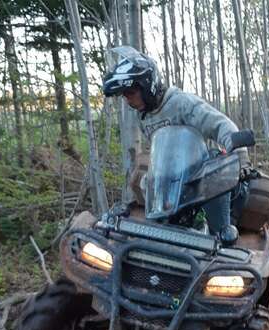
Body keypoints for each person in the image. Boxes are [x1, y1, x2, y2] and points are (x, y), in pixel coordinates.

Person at [102, 46, 250, 242]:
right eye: (123, 95)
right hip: (170, 181)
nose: (127, 99)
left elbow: (220, 124)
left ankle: (221, 236)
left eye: (129, 92)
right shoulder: (144, 116)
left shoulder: (181, 103)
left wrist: (240, 156)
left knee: (218, 169)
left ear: (147, 86)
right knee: (144, 179)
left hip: (197, 175)